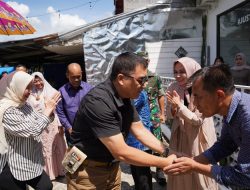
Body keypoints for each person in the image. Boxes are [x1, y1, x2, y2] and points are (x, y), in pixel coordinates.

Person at [67, 52, 176, 190]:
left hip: (111, 168)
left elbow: (139, 130)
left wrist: (166, 151)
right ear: (121, 79)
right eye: (141, 80)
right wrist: (165, 162)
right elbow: (121, 152)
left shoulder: (126, 97)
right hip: (87, 172)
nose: (145, 84)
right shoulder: (98, 102)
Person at [164, 64, 250, 189]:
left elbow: (244, 177)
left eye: (198, 97)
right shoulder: (232, 108)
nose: (195, 104)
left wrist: (195, 166)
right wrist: (194, 161)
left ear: (219, 95)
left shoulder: (247, 118)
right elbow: (225, 145)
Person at [0, 71, 61, 190]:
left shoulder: (24, 104)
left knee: (46, 186)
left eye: (30, 87)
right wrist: (47, 111)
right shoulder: (7, 111)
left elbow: (39, 119)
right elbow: (33, 130)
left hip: (30, 161)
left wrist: (50, 111)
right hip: (12, 165)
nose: (29, 91)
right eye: (26, 87)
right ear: (14, 87)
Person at [166, 57, 218, 190]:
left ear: (192, 70)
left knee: (198, 169)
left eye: (182, 71)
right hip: (180, 136)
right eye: (175, 72)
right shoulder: (173, 87)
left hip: (198, 137)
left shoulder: (203, 88)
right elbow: (169, 115)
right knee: (182, 170)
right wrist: (173, 108)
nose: (178, 75)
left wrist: (179, 106)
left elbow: (198, 120)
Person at [27, 72, 67, 180]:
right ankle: (49, 173)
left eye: (40, 80)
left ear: (44, 79)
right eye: (35, 81)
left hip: (52, 124)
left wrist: (60, 125)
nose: (38, 83)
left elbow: (59, 111)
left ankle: (60, 170)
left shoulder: (53, 92)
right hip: (39, 126)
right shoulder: (30, 94)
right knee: (44, 149)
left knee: (55, 147)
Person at [137, 51, 167, 184]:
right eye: (140, 60)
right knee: (143, 142)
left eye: (145, 60)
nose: (143, 62)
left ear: (148, 61)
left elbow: (160, 95)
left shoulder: (155, 77)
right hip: (139, 116)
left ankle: (160, 170)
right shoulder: (135, 76)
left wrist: (162, 113)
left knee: (157, 141)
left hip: (153, 114)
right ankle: (145, 168)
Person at [56, 63, 92, 145]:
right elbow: (60, 111)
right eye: (73, 77)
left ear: (82, 74)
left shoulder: (90, 89)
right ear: (67, 75)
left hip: (89, 132)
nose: (76, 79)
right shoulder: (62, 92)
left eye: (78, 76)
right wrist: (68, 127)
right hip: (72, 135)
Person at [126, 90, 153, 190]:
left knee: (143, 176)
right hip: (133, 140)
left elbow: (126, 108)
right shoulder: (132, 93)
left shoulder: (138, 93)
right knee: (135, 172)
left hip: (142, 141)